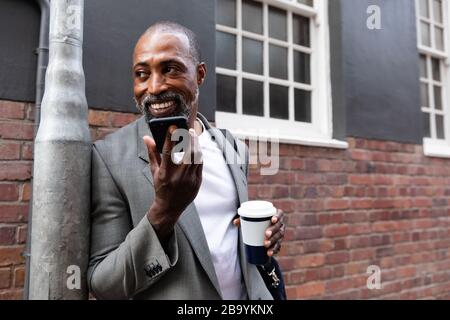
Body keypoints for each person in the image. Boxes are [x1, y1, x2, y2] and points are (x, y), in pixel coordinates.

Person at [87, 21, 285, 300]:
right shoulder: (109, 158)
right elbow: (104, 285)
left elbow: (228, 233)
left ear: (200, 74)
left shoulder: (232, 147)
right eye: (142, 74)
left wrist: (269, 231)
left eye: (169, 69)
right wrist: (164, 212)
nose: (154, 87)